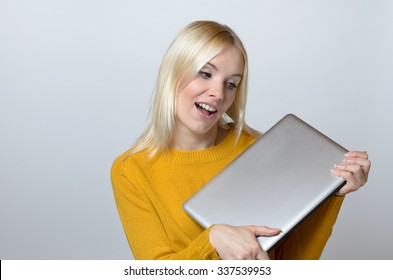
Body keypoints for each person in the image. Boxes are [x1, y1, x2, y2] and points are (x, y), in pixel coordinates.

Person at [110, 21, 371, 260]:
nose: (218, 93)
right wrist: (212, 240)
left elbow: (291, 262)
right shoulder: (131, 170)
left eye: (231, 84)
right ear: (174, 73)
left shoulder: (258, 149)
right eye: (205, 73)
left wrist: (330, 193)